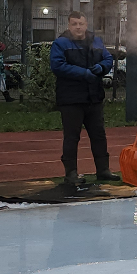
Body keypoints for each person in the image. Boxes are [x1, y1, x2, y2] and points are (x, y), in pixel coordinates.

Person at [50, 11, 118, 185]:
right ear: (68, 25)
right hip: (71, 98)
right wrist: (84, 73)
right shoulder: (60, 43)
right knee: (72, 137)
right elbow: (58, 66)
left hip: (94, 96)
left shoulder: (96, 40)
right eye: (74, 24)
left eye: (81, 24)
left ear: (86, 24)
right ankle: (71, 174)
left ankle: (103, 170)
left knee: (99, 135)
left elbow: (108, 58)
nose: (78, 27)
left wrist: (102, 67)